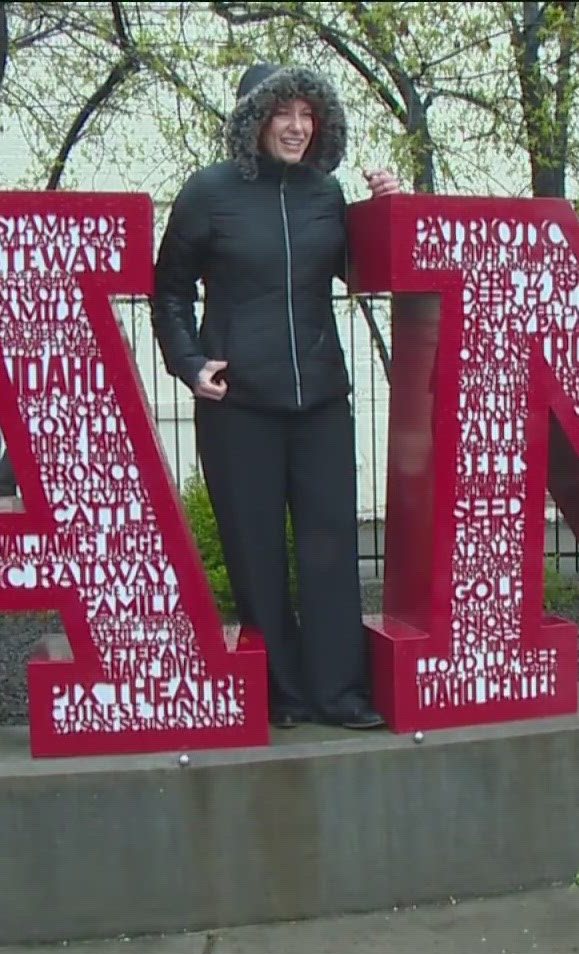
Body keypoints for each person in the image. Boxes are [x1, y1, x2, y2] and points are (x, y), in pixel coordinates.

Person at [151, 62, 402, 731]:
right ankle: (283, 694)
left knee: (330, 550)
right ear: (252, 120)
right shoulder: (208, 193)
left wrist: (386, 208)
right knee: (256, 552)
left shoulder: (327, 193)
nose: (296, 127)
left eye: (307, 114)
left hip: (320, 398)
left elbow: (368, 274)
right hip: (240, 404)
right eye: (282, 113)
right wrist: (189, 363)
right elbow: (169, 290)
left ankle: (340, 694)